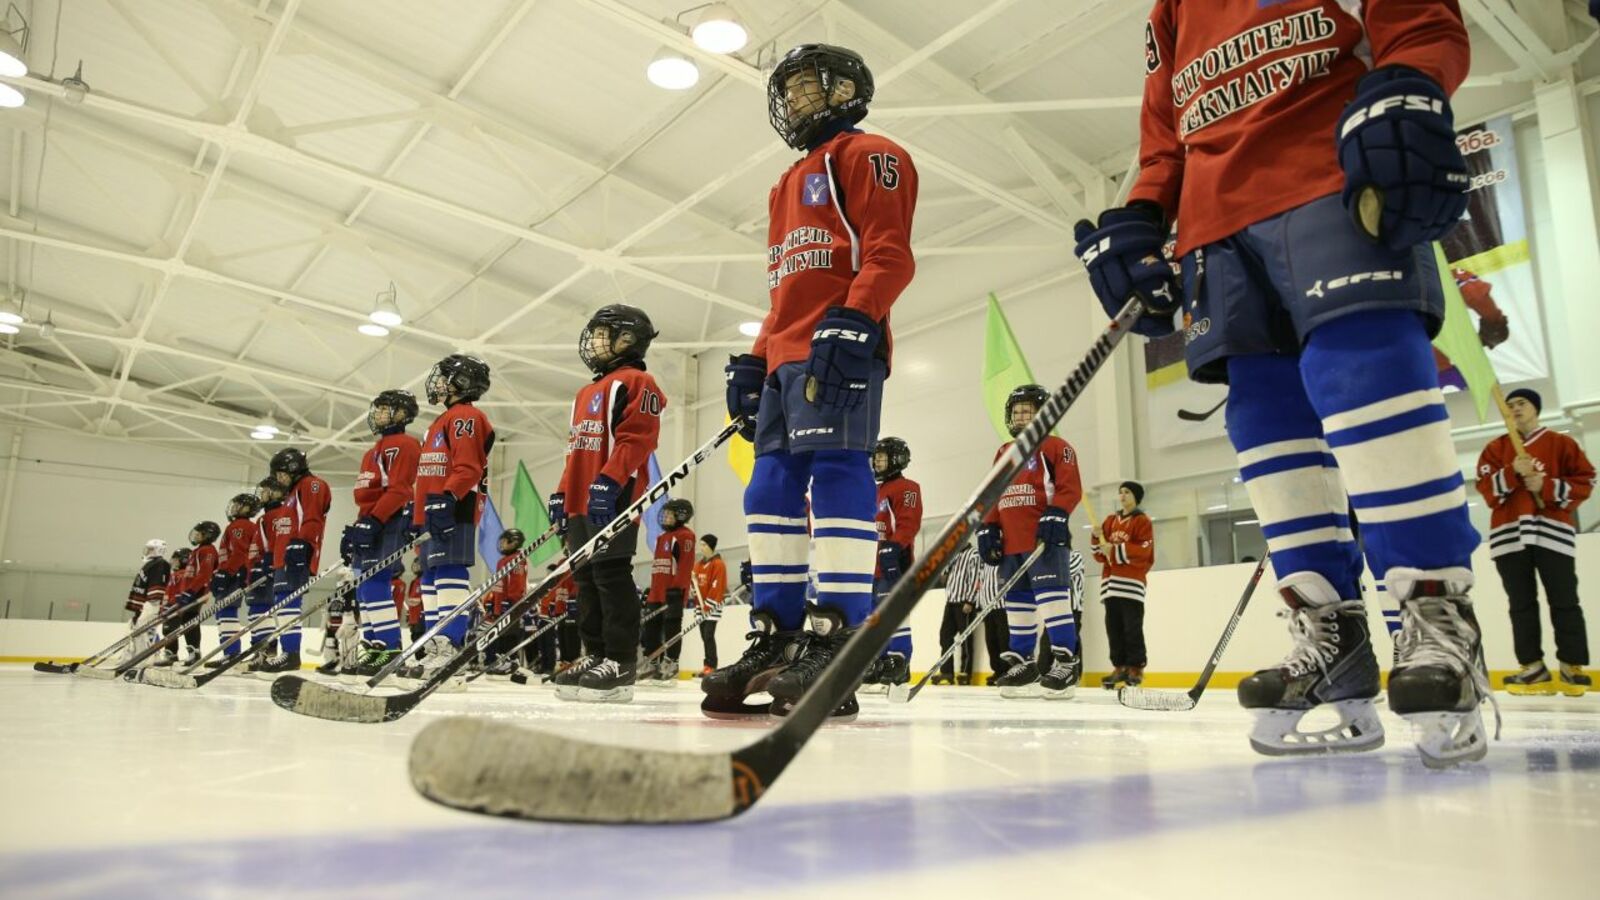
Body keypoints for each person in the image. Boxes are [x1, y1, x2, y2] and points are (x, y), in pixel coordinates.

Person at [1076, 1, 1490, 765]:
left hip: (1327, 174)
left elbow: (1420, 22)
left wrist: (1411, 81)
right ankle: (1328, 634)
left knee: (1363, 369)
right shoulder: (1171, 10)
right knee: (1265, 422)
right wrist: (1140, 213)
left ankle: (1434, 615)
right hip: (1213, 228)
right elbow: (1165, 138)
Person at [712, 43, 918, 721]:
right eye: (790, 90)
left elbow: (888, 253)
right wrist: (756, 356)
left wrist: (855, 319)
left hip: (840, 342)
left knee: (836, 469)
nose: (797, 99)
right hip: (785, 358)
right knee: (768, 483)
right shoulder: (783, 183)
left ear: (848, 90)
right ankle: (776, 636)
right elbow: (783, 288)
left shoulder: (868, 154)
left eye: (810, 87)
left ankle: (838, 638)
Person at [550, 305, 665, 704]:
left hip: (614, 493)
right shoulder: (585, 392)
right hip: (582, 497)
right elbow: (575, 450)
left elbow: (637, 440)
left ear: (628, 340)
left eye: (603, 333)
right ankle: (596, 653)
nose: (594, 341)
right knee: (585, 579)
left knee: (611, 575)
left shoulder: (638, 382)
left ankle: (620, 661)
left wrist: (610, 482)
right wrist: (563, 492)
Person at [1477, 388, 1594, 695]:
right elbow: (1486, 490)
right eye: (1510, 404)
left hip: (1552, 533)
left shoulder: (1562, 444)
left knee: (1565, 600)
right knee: (1521, 604)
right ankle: (1533, 669)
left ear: (1536, 408)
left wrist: (1548, 484)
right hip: (1509, 538)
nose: (1515, 408)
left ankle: (1572, 666)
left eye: (1522, 403)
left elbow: (1587, 480)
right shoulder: (1495, 448)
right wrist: (1512, 472)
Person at [976, 385, 1084, 700]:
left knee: (1053, 601)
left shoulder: (1056, 446)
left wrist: (1057, 514)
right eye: (1017, 411)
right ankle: (1024, 663)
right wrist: (988, 527)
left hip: (1044, 541)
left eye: (1028, 410)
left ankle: (1066, 662)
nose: (1021, 416)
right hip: (1012, 543)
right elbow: (993, 493)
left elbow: (1069, 487)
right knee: (1018, 606)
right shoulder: (1004, 452)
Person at [411, 354, 495, 682]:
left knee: (449, 571)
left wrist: (448, 497)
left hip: (455, 506)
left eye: (445, 377)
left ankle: (450, 647)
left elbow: (469, 466)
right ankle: (435, 646)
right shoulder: (438, 423)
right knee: (430, 577)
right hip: (435, 508)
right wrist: (415, 512)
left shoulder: (466, 416)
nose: (438, 383)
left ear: (462, 383)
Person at [346, 389, 421, 676]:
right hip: (373, 519)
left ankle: (390, 649)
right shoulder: (372, 451)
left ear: (402, 414)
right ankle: (376, 647)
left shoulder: (405, 445)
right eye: (376, 409)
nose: (376, 414)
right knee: (364, 588)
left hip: (391, 519)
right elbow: (368, 494)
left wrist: (375, 519)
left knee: (375, 583)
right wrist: (358, 525)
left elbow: (401, 489)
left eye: (384, 408)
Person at [257, 448, 331, 674]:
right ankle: (288, 652)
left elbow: (312, 517)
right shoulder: (290, 494)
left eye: (281, 474)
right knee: (283, 604)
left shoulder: (312, 485)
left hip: (296, 553)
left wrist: (304, 544)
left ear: (292, 468)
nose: (279, 479)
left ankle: (292, 653)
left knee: (289, 602)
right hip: (283, 556)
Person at [866, 436, 921, 689]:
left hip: (893, 562)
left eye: (882, 457)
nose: (877, 462)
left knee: (893, 612)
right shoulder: (872, 490)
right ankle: (878, 662)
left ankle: (899, 661)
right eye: (875, 458)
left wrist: (895, 545)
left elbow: (909, 522)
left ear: (897, 459)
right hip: (871, 566)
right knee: (873, 616)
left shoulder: (907, 487)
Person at [1092, 482, 1156, 689]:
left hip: (1131, 584)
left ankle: (1135, 667)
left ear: (1136, 496)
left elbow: (1144, 551)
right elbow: (1100, 556)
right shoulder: (1110, 521)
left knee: (1132, 628)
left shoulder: (1142, 521)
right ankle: (1119, 666)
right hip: (1111, 584)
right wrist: (1096, 537)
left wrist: (1114, 549)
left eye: (1127, 492)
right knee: (1114, 628)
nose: (1122, 496)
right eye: (1120, 493)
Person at [644, 499, 696, 681]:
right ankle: (652, 661)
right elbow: (659, 566)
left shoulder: (685, 536)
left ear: (681, 516)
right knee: (651, 629)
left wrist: (678, 589)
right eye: (664, 513)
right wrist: (651, 589)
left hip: (672, 593)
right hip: (656, 593)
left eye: (669, 514)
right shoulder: (661, 538)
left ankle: (671, 661)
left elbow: (685, 565)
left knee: (671, 627)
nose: (664, 517)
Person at [938, 544, 1000, 686]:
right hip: (951, 601)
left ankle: (965, 673)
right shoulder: (954, 553)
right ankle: (947, 673)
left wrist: (970, 601)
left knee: (965, 640)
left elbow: (976, 578)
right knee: (944, 637)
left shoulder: (974, 554)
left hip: (964, 603)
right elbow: (944, 576)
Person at [245, 476, 290, 667]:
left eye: (264, 491)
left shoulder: (275, 516)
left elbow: (274, 544)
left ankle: (266, 650)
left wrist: (265, 564)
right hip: (260, 568)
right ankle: (260, 650)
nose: (261, 495)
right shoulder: (267, 517)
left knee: (262, 610)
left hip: (267, 569)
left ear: (274, 492)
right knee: (257, 612)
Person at [211, 493, 262, 663]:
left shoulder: (240, 526)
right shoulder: (240, 526)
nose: (234, 507)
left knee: (226, 612)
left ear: (248, 508)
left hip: (233, 575)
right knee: (226, 612)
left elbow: (239, 552)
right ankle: (231, 652)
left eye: (239, 505)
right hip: (235, 573)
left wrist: (226, 572)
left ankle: (231, 652)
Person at [481, 529, 529, 677]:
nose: (501, 544)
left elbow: (517, 583)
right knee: (500, 633)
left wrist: (511, 601)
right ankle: (502, 659)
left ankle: (512, 660)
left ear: (514, 542)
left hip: (510, 604)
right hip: (500, 604)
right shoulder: (503, 561)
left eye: (504, 541)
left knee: (510, 632)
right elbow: (499, 585)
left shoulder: (517, 559)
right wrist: (492, 602)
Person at [171, 522, 219, 668]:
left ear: (207, 535)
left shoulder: (208, 551)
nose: (196, 536)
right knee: (186, 621)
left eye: (199, 533)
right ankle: (192, 652)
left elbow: (204, 573)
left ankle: (195, 653)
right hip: (190, 591)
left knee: (190, 621)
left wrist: (191, 591)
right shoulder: (197, 551)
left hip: (196, 592)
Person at [123, 539, 172, 665]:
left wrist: (153, 604)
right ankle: (140, 657)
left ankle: (144, 658)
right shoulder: (150, 564)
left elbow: (158, 586)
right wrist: (138, 608)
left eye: (151, 549)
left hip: (152, 604)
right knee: (138, 628)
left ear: (158, 550)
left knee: (143, 629)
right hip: (145, 604)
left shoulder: (160, 564)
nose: (148, 551)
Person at [692, 534, 728, 676]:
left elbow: (717, 586)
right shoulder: (698, 565)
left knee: (708, 635)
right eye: (700, 544)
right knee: (703, 636)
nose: (701, 547)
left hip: (712, 607)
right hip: (700, 607)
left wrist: (708, 605)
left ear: (711, 546)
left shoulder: (718, 564)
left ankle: (711, 665)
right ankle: (707, 664)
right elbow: (695, 585)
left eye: (704, 545)